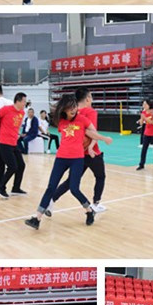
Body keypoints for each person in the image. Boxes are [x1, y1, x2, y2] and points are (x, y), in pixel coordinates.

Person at [24, 94, 112, 231]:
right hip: (61, 158)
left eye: (74, 106)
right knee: (51, 187)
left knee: (74, 188)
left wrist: (103, 138)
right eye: (70, 107)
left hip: (77, 159)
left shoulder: (82, 119)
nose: (73, 109)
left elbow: (91, 132)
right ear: (64, 109)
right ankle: (37, 218)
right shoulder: (61, 122)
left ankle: (89, 210)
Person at [49, 87, 108, 214]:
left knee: (70, 182)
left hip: (75, 154)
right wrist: (91, 147)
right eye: (91, 96)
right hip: (91, 153)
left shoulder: (71, 112)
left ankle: (51, 200)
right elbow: (92, 132)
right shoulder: (90, 112)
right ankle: (96, 203)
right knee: (100, 176)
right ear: (87, 99)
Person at [0, 92, 28, 198]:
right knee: (12, 167)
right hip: (4, 142)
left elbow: (17, 125)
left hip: (14, 142)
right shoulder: (6, 109)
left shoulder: (22, 113)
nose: (25, 103)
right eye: (24, 101)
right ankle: (0, 187)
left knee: (21, 165)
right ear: (18, 101)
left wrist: (17, 134)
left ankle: (16, 188)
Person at [136, 98, 153, 170]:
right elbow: (141, 123)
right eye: (143, 104)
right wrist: (141, 119)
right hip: (147, 132)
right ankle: (141, 164)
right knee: (144, 149)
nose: (143, 105)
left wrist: (145, 118)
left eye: (145, 104)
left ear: (149, 105)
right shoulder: (143, 112)